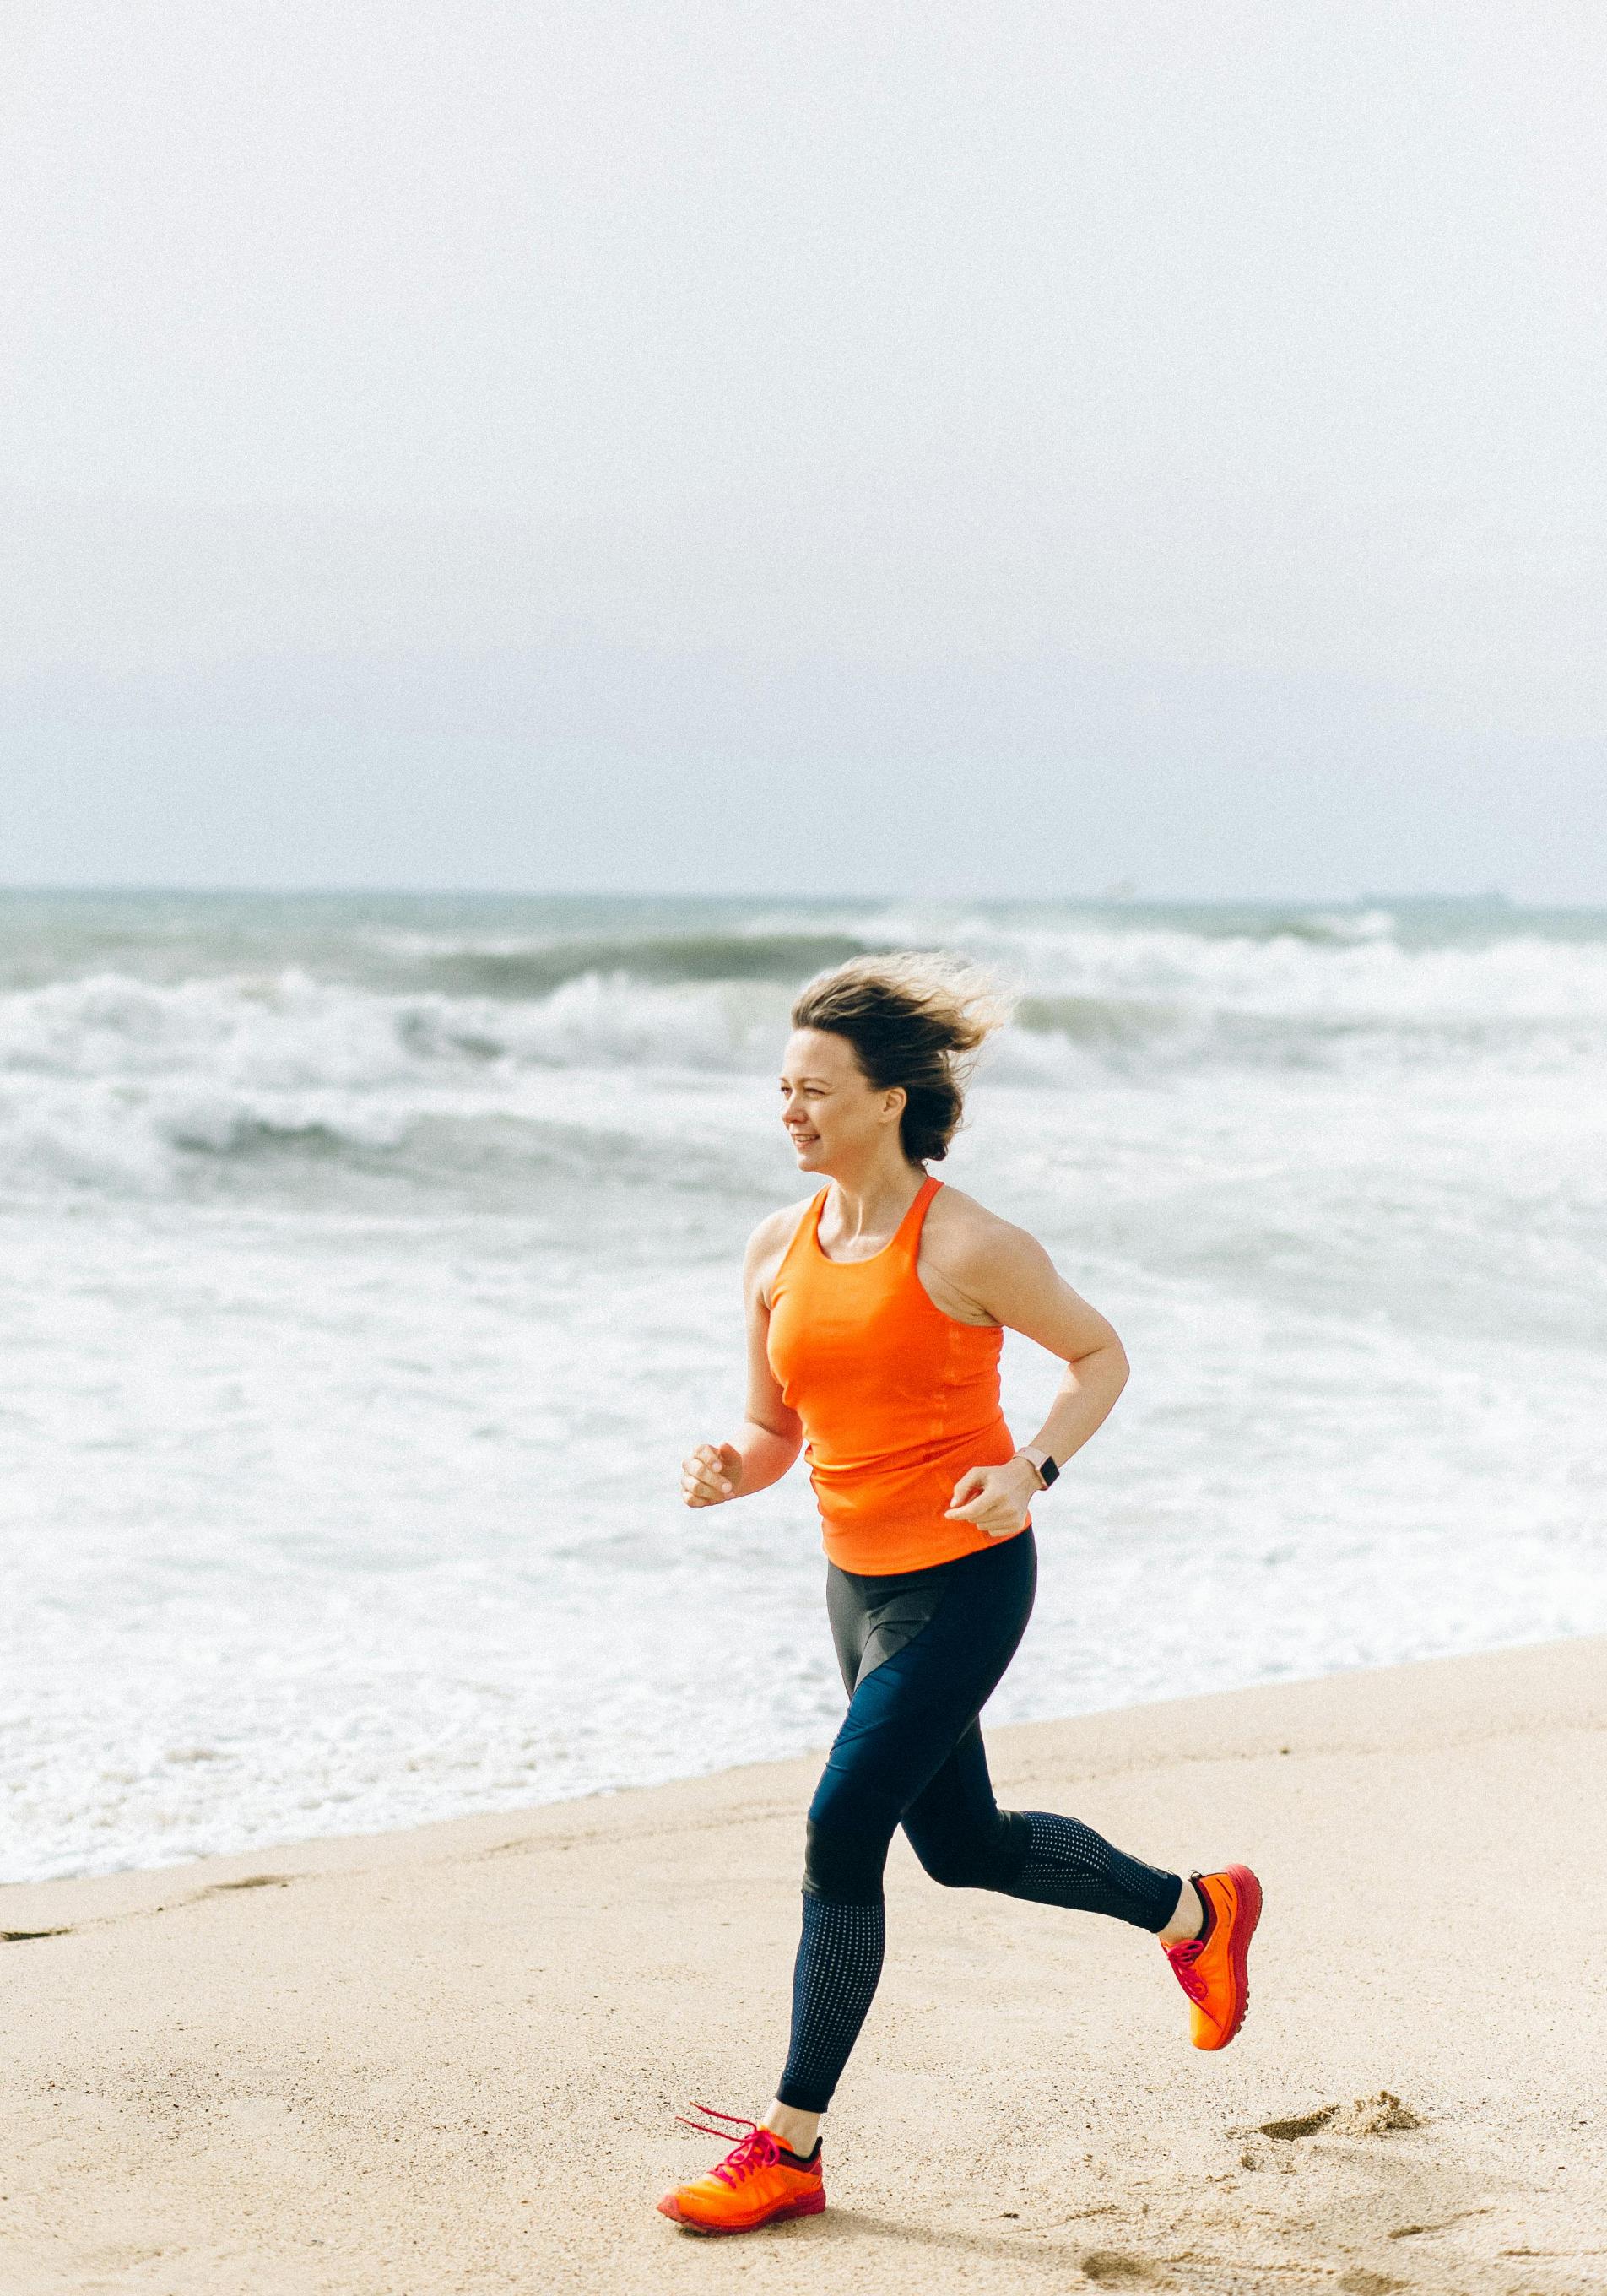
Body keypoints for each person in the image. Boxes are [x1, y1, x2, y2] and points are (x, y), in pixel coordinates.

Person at [659, 955, 1261, 2238]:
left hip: (966, 1583)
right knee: (964, 1847)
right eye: (782, 1088)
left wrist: (1033, 1467)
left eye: (816, 1090)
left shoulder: (973, 1243)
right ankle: (1198, 1910)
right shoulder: (779, 1246)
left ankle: (791, 2146)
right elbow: (775, 1431)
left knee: (842, 1824)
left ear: (888, 1100)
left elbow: (1100, 1355)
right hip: (856, 1582)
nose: (789, 1112)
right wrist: (732, 1473)